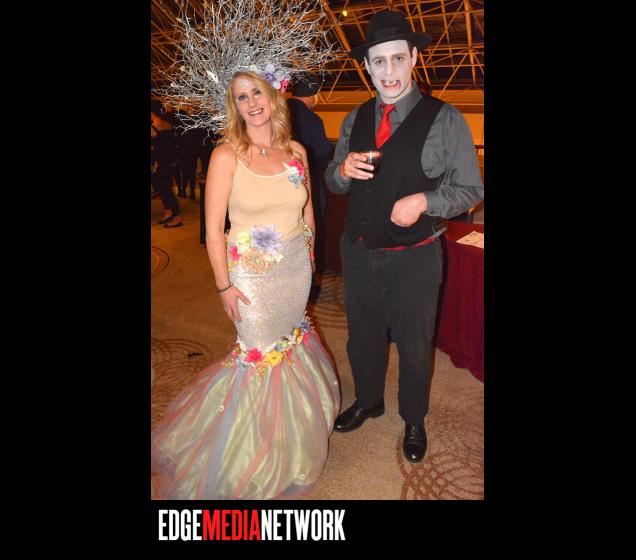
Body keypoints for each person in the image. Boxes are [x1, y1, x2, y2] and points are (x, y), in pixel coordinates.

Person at [151, 70, 340, 499]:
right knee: (257, 357)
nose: (252, 102)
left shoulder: (296, 151)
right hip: (252, 277)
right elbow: (213, 229)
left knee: (290, 345)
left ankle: (287, 441)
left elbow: (308, 210)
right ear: (233, 106)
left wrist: (310, 258)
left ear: (273, 95)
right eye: (241, 97)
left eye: (257, 91)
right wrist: (224, 286)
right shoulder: (226, 156)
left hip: (295, 270)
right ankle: (250, 453)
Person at [325, 10, 484, 463]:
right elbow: (334, 179)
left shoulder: (445, 118)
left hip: (415, 256)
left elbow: (471, 189)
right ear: (367, 66)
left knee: (415, 344)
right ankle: (369, 401)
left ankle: (414, 418)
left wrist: (423, 201)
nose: (389, 71)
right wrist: (342, 170)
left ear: (414, 57)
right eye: (379, 61)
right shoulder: (355, 117)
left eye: (398, 58)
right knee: (362, 336)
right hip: (359, 251)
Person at [286, 74, 333, 272]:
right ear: (314, 93)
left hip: (279, 183)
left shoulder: (279, 111)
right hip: (306, 182)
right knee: (308, 225)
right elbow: (323, 155)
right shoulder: (312, 119)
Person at [151, 102, 183, 228]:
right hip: (169, 162)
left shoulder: (154, 127)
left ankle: (177, 217)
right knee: (165, 188)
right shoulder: (168, 124)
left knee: (165, 190)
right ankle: (169, 212)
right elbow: (173, 143)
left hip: (159, 162)